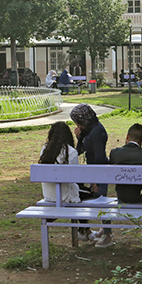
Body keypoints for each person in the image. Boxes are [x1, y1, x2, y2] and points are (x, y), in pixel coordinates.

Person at [70, 103, 110, 246]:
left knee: (102, 201)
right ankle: (104, 230)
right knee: (99, 200)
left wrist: (94, 181)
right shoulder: (89, 129)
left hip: (100, 171)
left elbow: (99, 158)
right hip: (93, 170)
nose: (76, 125)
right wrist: (79, 138)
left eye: (77, 121)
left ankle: (108, 234)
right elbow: (79, 151)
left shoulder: (97, 131)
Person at [38, 122, 80, 204]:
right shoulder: (71, 151)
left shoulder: (45, 149)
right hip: (66, 196)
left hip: (49, 195)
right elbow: (76, 176)